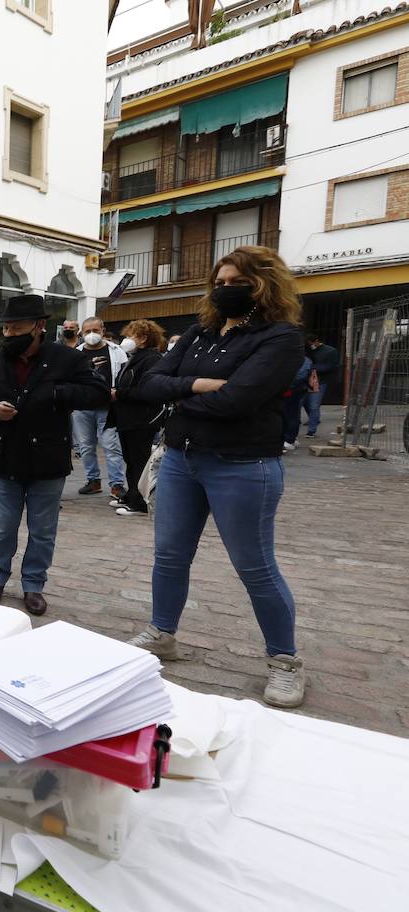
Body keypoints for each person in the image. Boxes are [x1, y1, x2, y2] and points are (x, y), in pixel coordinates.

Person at [127, 245, 307, 708]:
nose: (226, 290)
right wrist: (196, 386)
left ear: (263, 284)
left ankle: (284, 662)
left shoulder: (280, 338)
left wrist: (180, 396)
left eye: (237, 283)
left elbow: (239, 401)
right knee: (169, 556)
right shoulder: (199, 332)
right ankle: (161, 633)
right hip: (183, 460)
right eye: (220, 283)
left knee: (256, 567)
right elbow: (149, 384)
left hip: (243, 467)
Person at [0, 295, 109, 616]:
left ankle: (33, 584)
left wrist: (58, 392)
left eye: (17, 328)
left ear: (39, 326)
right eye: (6, 329)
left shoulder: (66, 359)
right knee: (3, 527)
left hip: (48, 459)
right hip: (7, 458)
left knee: (43, 530)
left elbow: (98, 393)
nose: (10, 335)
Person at [110, 319, 167, 517]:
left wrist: (120, 394)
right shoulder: (136, 358)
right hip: (128, 417)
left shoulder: (151, 359)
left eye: (132, 335)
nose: (127, 339)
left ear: (143, 338)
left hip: (142, 418)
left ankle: (140, 502)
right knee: (131, 458)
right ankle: (132, 494)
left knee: (139, 460)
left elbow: (147, 390)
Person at [73, 315, 128, 501]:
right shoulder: (76, 353)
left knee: (111, 446)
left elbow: (124, 375)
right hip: (82, 407)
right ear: (81, 332)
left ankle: (116, 484)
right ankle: (93, 481)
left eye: (95, 330)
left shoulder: (116, 351)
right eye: (87, 331)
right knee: (86, 446)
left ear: (103, 331)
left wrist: (118, 391)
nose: (91, 334)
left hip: (108, 407)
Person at [303, 333, 339, 438]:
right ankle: (314, 420)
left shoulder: (330, 351)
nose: (311, 346)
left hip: (320, 381)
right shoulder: (308, 350)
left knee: (314, 405)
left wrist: (312, 368)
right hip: (306, 380)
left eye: (312, 344)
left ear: (317, 341)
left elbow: (331, 366)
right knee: (306, 403)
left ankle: (311, 430)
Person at [281, 353, 315, 452]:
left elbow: (300, 376)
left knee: (290, 414)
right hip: (293, 389)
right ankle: (290, 438)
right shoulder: (303, 359)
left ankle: (289, 439)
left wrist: (287, 385)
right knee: (291, 414)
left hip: (292, 390)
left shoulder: (302, 360)